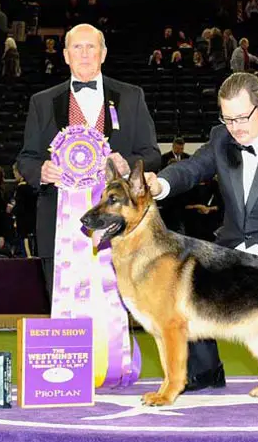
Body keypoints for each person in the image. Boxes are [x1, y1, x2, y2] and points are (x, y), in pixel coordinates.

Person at [144, 72, 258, 391]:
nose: (236, 128)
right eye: (228, 119)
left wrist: (250, 257)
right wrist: (161, 184)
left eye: (243, 117)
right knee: (182, 287)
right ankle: (204, 370)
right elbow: (191, 169)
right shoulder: (221, 137)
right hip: (232, 254)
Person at [16, 24, 161, 299]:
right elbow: (26, 158)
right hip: (58, 226)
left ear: (103, 54)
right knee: (62, 306)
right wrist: (41, 171)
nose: (84, 54)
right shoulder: (42, 102)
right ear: (65, 55)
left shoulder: (131, 97)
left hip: (119, 229)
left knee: (115, 314)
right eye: (77, 48)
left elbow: (152, 153)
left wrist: (127, 167)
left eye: (91, 47)